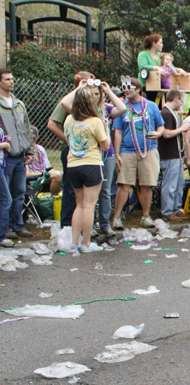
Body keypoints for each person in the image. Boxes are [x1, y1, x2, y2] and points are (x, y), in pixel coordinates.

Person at [60, 79, 126, 237]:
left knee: (102, 193)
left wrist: (108, 91)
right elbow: (64, 103)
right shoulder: (88, 118)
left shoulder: (76, 118)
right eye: (90, 94)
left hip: (90, 159)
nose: (94, 97)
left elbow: (122, 108)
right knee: (88, 203)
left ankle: (102, 225)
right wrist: (80, 88)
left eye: (97, 94)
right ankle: (88, 236)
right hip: (91, 160)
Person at [62, 86, 112, 253]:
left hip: (73, 165)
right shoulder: (95, 121)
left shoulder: (69, 120)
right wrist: (106, 129)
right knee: (90, 205)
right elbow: (105, 145)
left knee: (80, 204)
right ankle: (86, 243)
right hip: (91, 164)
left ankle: (74, 242)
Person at [111, 78, 164, 230]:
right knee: (124, 184)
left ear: (138, 89)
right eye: (124, 87)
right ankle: (116, 218)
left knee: (147, 184)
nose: (126, 90)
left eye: (129, 87)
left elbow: (161, 127)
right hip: (127, 150)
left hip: (149, 149)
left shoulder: (151, 106)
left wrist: (157, 134)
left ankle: (146, 216)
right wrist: (116, 152)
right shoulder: (122, 108)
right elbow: (118, 132)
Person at [47, 71, 94, 228]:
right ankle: (66, 225)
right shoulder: (69, 101)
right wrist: (69, 139)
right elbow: (52, 124)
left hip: (89, 152)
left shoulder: (91, 103)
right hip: (71, 151)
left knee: (86, 190)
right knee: (70, 188)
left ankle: (84, 224)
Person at [0, 69, 34, 241]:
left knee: (19, 192)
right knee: (4, 195)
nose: (11, 82)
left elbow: (26, 128)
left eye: (12, 79)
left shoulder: (19, 104)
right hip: (6, 157)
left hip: (20, 156)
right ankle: (4, 229)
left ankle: (18, 225)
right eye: (7, 79)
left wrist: (30, 150)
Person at [158, 89, 190, 221]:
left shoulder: (171, 113)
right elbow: (166, 133)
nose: (182, 103)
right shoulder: (166, 113)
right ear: (176, 99)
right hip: (169, 154)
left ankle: (176, 208)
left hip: (176, 154)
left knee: (179, 183)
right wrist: (181, 129)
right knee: (170, 184)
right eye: (181, 100)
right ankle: (167, 211)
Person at [26, 126, 61, 196]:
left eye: (33, 138)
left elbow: (48, 167)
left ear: (37, 137)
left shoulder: (40, 149)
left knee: (64, 175)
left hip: (44, 175)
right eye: (29, 137)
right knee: (57, 175)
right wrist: (42, 173)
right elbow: (26, 174)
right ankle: (54, 199)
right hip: (34, 180)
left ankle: (56, 200)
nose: (31, 140)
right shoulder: (24, 151)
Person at [137, 34, 166, 101]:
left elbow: (169, 65)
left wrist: (178, 70)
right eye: (160, 42)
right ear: (154, 43)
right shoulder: (143, 54)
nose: (162, 44)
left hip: (159, 86)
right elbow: (142, 66)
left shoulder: (161, 56)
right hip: (146, 86)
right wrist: (156, 68)